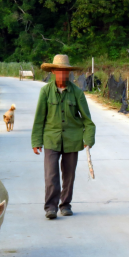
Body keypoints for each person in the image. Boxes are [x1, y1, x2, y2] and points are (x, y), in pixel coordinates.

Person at [32, 55, 96, 219]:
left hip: (72, 140)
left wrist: (88, 139)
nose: (62, 75)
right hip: (51, 139)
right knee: (51, 175)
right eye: (59, 71)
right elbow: (39, 118)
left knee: (69, 175)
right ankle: (50, 207)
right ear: (53, 71)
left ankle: (65, 204)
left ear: (69, 73)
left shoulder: (77, 93)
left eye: (65, 72)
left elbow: (88, 120)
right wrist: (36, 141)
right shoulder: (45, 92)